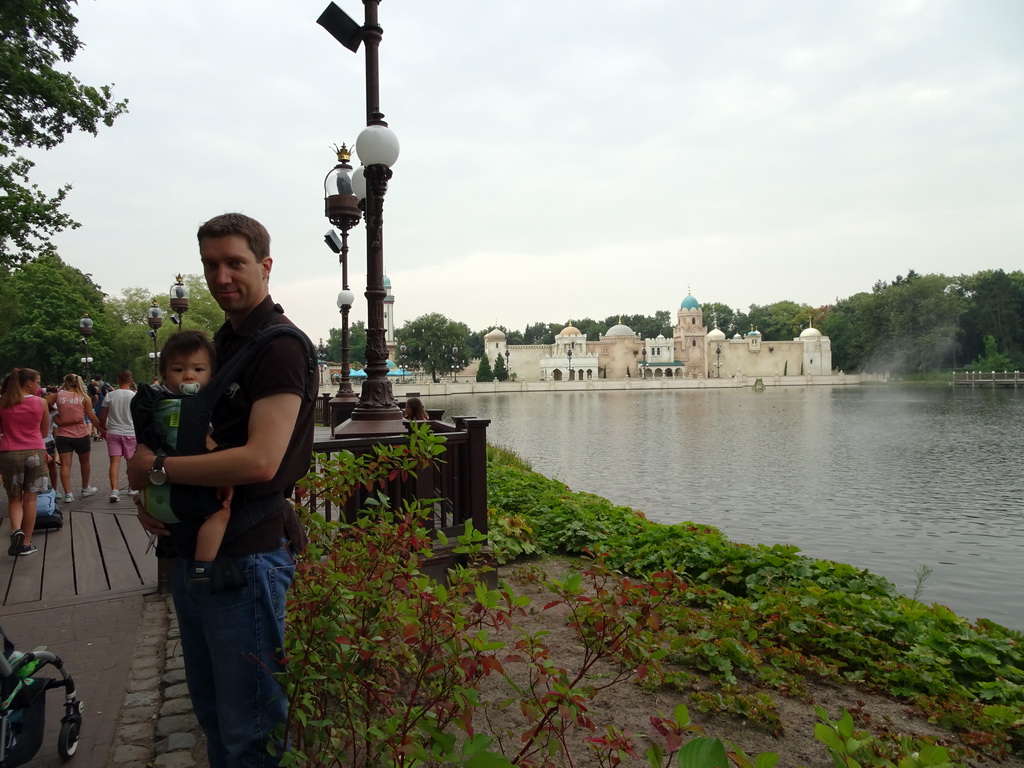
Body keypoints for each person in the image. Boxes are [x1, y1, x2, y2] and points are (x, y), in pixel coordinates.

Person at [129, 212, 316, 767]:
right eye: (211, 265)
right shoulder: (227, 343)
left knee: (249, 731)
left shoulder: (278, 347)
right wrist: (156, 500)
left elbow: (261, 461)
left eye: (235, 262)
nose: (221, 276)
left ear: (265, 265)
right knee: (216, 715)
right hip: (201, 553)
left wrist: (158, 470)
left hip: (247, 556)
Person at [133, 331, 231, 580]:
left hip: (156, 498)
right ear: (165, 373)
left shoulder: (153, 405)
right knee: (219, 513)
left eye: (198, 369)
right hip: (189, 493)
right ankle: (203, 565)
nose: (188, 375)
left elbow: (141, 449)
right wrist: (226, 472)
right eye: (179, 370)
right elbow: (205, 442)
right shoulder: (196, 409)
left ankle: (172, 554)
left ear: (211, 374)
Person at [0, 368, 50, 557]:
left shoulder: (3, 402)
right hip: (35, 452)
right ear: (28, 383)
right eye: (37, 382)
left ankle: (16, 530)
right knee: (31, 498)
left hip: (9, 453)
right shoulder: (41, 402)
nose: (39, 386)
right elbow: (44, 432)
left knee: (14, 498)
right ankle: (26, 543)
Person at [49, 374, 103, 502]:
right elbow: (91, 417)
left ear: (66, 382)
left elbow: (43, 403)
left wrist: (55, 415)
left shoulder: (58, 395)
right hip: (81, 435)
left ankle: (68, 494)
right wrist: (102, 430)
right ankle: (85, 488)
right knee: (85, 462)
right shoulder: (84, 398)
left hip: (62, 435)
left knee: (65, 466)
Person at [99, 370, 138, 504]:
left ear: (118, 380)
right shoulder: (134, 396)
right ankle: (132, 487)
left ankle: (114, 491)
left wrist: (102, 428)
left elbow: (103, 416)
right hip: (130, 432)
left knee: (114, 463)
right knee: (131, 462)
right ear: (131, 380)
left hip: (113, 432)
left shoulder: (110, 395)